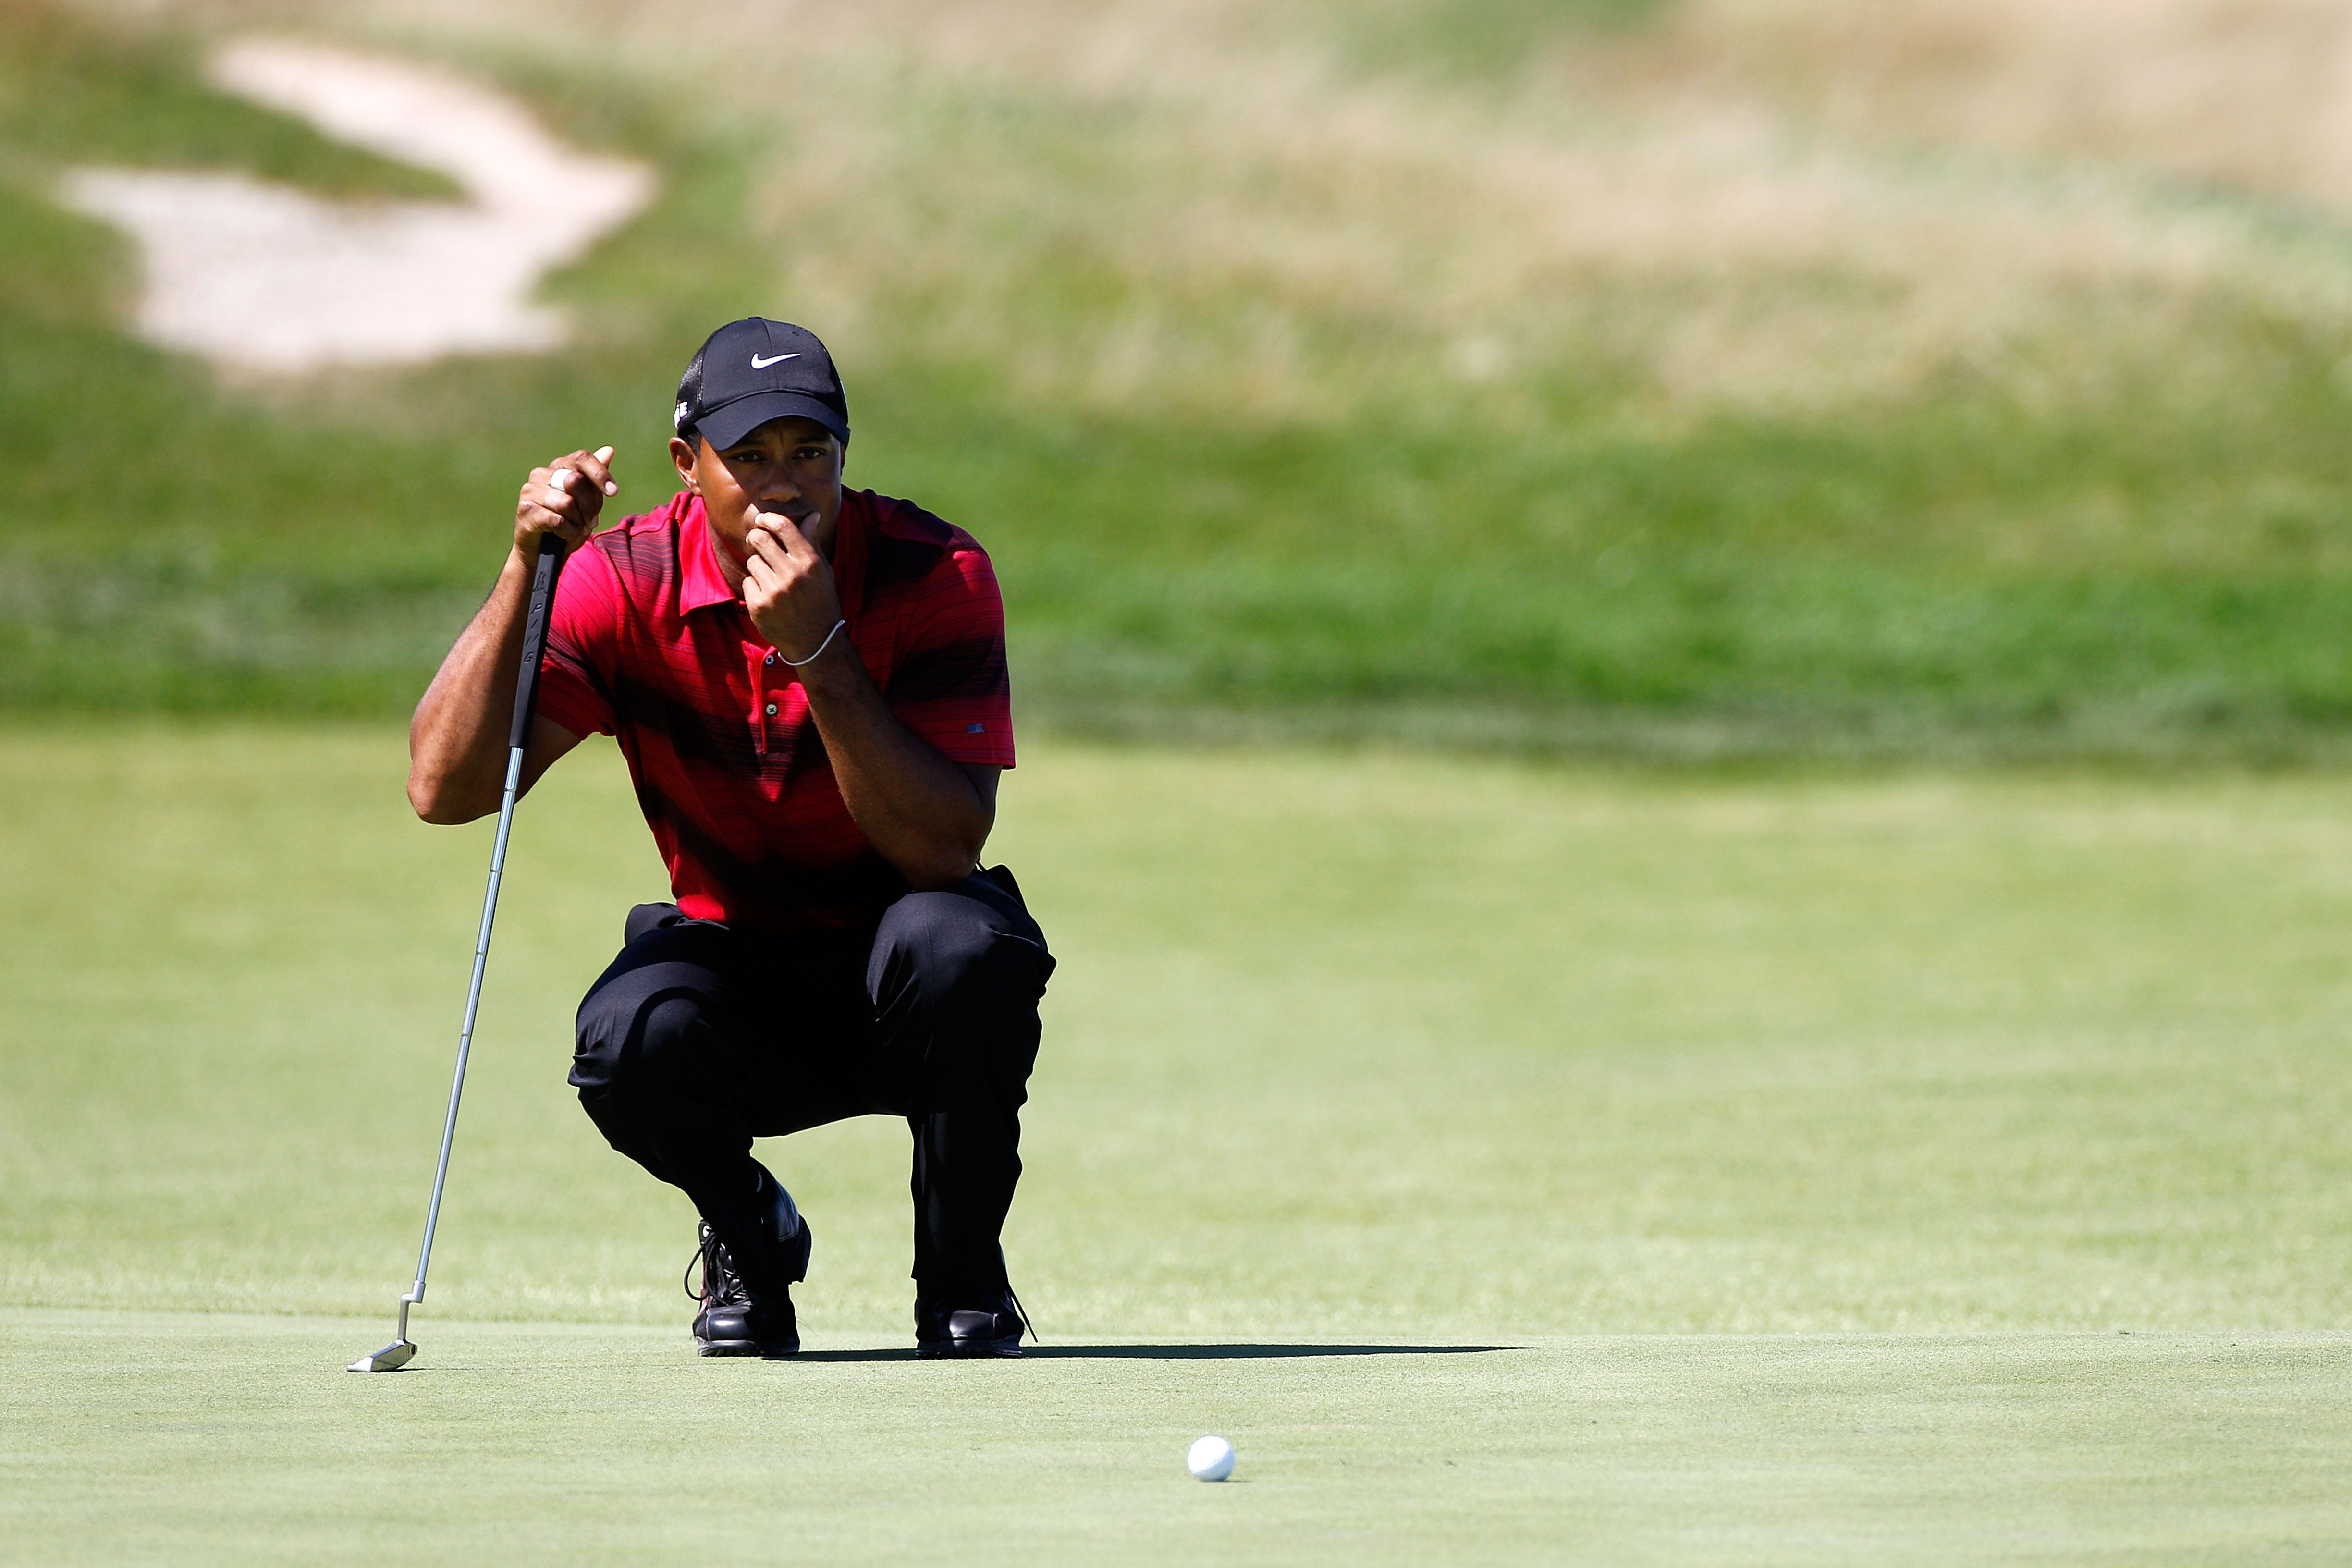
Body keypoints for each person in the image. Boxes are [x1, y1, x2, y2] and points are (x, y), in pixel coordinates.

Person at [406, 318, 1054, 1358]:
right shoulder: (622, 580)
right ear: (686, 464)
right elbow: (446, 787)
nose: (783, 484)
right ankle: (754, 1237)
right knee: (630, 1040)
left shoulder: (937, 570)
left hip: (906, 976)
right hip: (736, 975)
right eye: (748, 457)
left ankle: (963, 1276)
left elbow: (943, 852)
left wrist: (822, 650)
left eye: (810, 453)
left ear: (845, 453)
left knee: (961, 946)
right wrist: (528, 564)